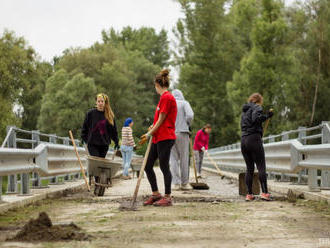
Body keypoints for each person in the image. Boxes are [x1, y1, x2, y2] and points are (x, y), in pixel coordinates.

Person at [140, 69, 177, 207]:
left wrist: (149, 133)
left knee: (163, 166)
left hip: (166, 137)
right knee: (148, 165)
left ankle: (167, 197)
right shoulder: (163, 98)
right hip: (157, 137)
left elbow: (162, 120)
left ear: (157, 84)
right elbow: (158, 120)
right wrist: (152, 127)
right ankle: (156, 194)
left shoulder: (167, 97)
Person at [241, 93, 273, 201]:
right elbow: (256, 119)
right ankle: (264, 193)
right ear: (259, 101)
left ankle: (249, 194)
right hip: (254, 139)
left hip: (244, 140)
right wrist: (267, 116)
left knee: (249, 168)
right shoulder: (257, 107)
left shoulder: (244, 111)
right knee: (261, 166)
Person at [81, 93, 119, 184]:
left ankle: (99, 182)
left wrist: (117, 142)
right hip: (92, 143)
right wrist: (83, 137)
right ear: (96, 102)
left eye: (102, 101)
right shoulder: (90, 113)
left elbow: (113, 131)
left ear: (105, 103)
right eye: (99, 101)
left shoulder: (109, 115)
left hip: (104, 143)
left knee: (101, 165)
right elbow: (85, 126)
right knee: (96, 163)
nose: (100, 103)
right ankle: (99, 182)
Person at [169, 89, 194, 191]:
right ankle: (185, 183)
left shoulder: (170, 104)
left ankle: (176, 183)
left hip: (170, 133)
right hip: (183, 132)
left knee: (173, 159)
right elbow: (190, 115)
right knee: (184, 158)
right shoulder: (184, 103)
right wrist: (188, 124)